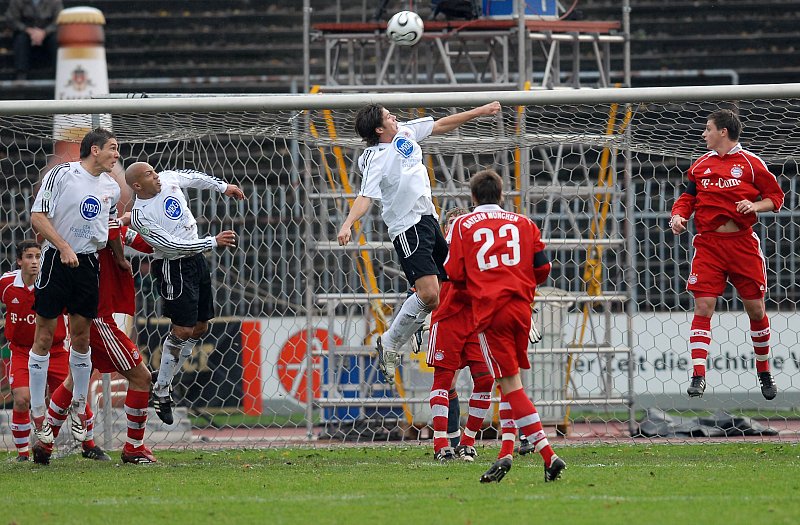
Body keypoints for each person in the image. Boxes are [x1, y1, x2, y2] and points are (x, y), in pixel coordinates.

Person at [337, 101, 501, 386]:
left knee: (455, 283)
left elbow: (441, 124)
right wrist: (348, 223)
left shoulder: (406, 133)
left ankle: (415, 324)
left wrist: (479, 111)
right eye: (389, 116)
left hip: (428, 221)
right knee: (429, 295)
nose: (395, 116)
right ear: (379, 129)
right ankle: (390, 341)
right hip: (407, 228)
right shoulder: (375, 159)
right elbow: (366, 197)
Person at [444, 169, 565, 483]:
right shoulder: (524, 223)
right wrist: (518, 281)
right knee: (511, 383)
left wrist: (484, 280)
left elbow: (453, 273)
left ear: (473, 197)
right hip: (522, 309)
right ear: (501, 196)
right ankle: (505, 453)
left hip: (490, 311)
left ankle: (548, 455)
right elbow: (544, 268)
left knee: (509, 384)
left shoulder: (461, 224)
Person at [670, 109, 784, 400]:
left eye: (708, 129)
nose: (703, 134)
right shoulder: (700, 165)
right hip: (708, 245)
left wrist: (754, 206)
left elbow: (776, 197)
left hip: (742, 245)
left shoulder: (751, 163)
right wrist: (678, 217)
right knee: (704, 306)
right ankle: (698, 376)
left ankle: (764, 370)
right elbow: (688, 197)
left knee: (756, 310)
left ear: (723, 131)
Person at [125, 162, 243, 425]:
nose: (156, 177)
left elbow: (194, 176)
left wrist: (224, 187)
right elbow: (170, 245)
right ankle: (163, 390)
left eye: (154, 172)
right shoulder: (140, 215)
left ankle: (162, 381)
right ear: (137, 186)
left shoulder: (167, 179)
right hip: (172, 266)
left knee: (200, 327)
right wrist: (212, 242)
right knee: (182, 331)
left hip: (195, 261)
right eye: (148, 176)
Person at [32, 220, 159, 465]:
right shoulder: (99, 226)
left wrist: (149, 223)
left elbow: (146, 243)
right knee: (142, 378)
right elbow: (115, 230)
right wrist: (129, 218)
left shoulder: (108, 225)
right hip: (98, 320)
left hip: (91, 315)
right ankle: (134, 447)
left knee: (73, 380)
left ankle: (45, 443)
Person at [28, 128, 124, 450]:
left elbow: (109, 227)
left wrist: (122, 257)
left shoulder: (110, 186)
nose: (117, 155)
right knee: (44, 335)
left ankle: (80, 409)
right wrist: (64, 246)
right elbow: (37, 217)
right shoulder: (62, 174)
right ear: (94, 150)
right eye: (113, 148)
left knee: (81, 337)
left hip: (88, 265)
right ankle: (38, 413)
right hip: (57, 260)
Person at [1, 240, 111, 463]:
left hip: (57, 351)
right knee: (22, 399)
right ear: (19, 261)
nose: (34, 262)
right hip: (22, 351)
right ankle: (23, 454)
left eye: (38, 257)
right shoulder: (6, 283)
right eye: (29, 257)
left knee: (71, 396)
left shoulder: (52, 282)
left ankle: (88, 445)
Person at [5, 0, 62, 80]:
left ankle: (59, 75)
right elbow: (11, 20)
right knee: (20, 39)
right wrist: (27, 30)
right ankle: (21, 75)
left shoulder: (55, 1)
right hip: (25, 33)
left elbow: (59, 20)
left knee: (55, 39)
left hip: (48, 34)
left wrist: (44, 32)